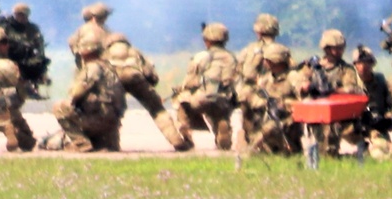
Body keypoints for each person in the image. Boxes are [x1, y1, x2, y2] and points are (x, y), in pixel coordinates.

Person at [102, 33, 191, 150]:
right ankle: (177, 141)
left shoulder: (105, 55)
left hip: (114, 82)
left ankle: (110, 145)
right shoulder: (135, 52)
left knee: (110, 112)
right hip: (136, 78)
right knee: (158, 111)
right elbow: (150, 75)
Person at [45, 33, 127, 151]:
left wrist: (73, 101)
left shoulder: (92, 67)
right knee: (105, 148)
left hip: (98, 117)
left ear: (85, 51)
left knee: (59, 107)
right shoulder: (108, 68)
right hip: (112, 120)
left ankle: (81, 144)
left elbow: (77, 93)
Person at [172, 22, 239, 150]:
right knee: (220, 112)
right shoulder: (232, 58)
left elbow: (190, 81)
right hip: (224, 99)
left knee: (181, 101)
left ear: (207, 40)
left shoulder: (200, 57)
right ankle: (223, 127)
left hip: (202, 98)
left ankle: (186, 134)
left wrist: (180, 88)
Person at [237, 43, 306, 155]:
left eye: (267, 60)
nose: (264, 63)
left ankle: (250, 151)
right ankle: (252, 138)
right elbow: (257, 93)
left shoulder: (293, 76)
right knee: (245, 96)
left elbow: (304, 101)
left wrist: (284, 104)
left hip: (288, 121)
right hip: (267, 116)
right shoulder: (267, 78)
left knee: (270, 127)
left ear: (274, 61)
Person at [306, 29, 360, 158]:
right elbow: (299, 81)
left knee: (330, 136)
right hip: (316, 109)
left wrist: (333, 90)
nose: (339, 51)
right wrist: (308, 87)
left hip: (337, 112)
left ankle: (330, 156)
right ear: (327, 48)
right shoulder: (314, 67)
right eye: (336, 48)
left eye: (341, 48)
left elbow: (351, 88)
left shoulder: (346, 69)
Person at [237, 14, 281, 148]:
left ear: (258, 31)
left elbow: (241, 70)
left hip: (250, 93)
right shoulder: (281, 49)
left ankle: (250, 138)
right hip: (274, 91)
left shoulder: (249, 49)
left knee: (248, 114)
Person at [352, 45, 392, 159]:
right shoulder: (351, 83)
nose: (363, 67)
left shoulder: (380, 81)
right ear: (355, 65)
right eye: (360, 63)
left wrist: (388, 117)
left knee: (387, 151)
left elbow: (390, 105)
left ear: (372, 64)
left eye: (367, 63)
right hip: (355, 128)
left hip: (377, 127)